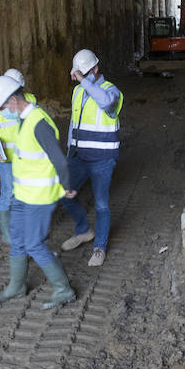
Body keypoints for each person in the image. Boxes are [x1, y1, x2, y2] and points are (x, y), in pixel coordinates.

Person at [0, 75, 75, 309]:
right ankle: (17, 287)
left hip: (39, 197)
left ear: (14, 99)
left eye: (4, 106)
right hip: (23, 195)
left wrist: (66, 186)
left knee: (34, 244)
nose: (3, 111)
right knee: (17, 241)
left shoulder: (38, 122)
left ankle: (64, 290)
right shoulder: (24, 120)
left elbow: (60, 161)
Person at [60, 48, 123, 267]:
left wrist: (84, 81)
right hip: (78, 157)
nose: (81, 78)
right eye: (80, 74)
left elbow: (105, 103)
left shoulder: (111, 90)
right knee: (63, 193)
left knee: (101, 204)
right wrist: (69, 154)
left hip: (103, 159)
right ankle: (83, 231)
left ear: (96, 69)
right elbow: (74, 124)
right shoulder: (78, 92)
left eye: (85, 73)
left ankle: (100, 247)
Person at [0, 68, 35, 244]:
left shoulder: (31, 102)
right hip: (7, 159)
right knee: (8, 194)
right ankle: (7, 232)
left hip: (28, 158)